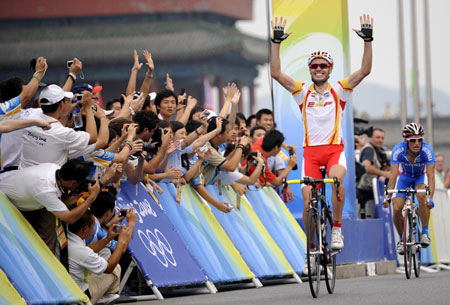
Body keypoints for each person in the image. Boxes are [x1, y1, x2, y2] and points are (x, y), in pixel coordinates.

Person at [270, 14, 373, 253]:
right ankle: (312, 248)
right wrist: (276, 43)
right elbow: (276, 73)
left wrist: (368, 41)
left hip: (334, 151)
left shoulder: (340, 90)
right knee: (307, 204)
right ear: (310, 70)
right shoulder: (302, 92)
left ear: (330, 69)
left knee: (336, 181)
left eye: (323, 66)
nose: (318, 69)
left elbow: (365, 70)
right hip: (311, 155)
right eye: (314, 66)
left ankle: (336, 228)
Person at [0, 159, 100, 253]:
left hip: (7, 183)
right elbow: (70, 218)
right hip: (4, 204)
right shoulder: (46, 189)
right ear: (73, 183)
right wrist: (91, 198)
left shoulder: (54, 168)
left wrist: (64, 202)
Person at [383, 123, 435, 254]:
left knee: (422, 197)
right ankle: (401, 239)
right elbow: (393, 175)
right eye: (413, 140)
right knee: (396, 208)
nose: (417, 143)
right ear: (406, 141)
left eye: (419, 139)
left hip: (420, 177)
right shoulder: (398, 150)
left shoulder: (427, 150)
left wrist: (430, 198)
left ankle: (424, 232)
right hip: (404, 177)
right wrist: (388, 197)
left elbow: (431, 175)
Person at [68, 207, 137, 304]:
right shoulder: (82, 252)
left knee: (105, 252)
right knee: (115, 269)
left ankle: (103, 296)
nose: (95, 228)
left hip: (68, 291)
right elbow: (109, 268)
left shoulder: (68, 237)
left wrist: (108, 238)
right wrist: (123, 238)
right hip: (79, 298)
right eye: (94, 226)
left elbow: (89, 249)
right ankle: (104, 296)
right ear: (85, 229)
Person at [357, 128, 390, 218]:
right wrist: (384, 173)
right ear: (370, 138)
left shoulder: (379, 150)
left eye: (382, 138)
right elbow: (367, 166)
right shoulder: (369, 150)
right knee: (370, 220)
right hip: (367, 194)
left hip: (375, 193)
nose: (380, 140)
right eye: (378, 137)